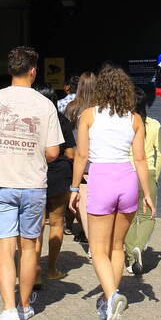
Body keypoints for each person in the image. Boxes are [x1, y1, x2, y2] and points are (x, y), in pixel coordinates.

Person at [0, 47, 63, 320]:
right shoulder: (45, 104)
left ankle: (8, 308)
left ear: (11, 70)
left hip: (0, 183)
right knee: (29, 246)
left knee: (3, 247)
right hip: (33, 185)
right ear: (33, 70)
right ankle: (24, 305)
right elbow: (53, 152)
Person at [70, 66, 154, 320]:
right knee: (117, 247)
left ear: (100, 89)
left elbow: (81, 156)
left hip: (101, 179)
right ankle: (109, 300)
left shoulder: (89, 115)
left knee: (97, 249)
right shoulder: (135, 119)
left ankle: (112, 296)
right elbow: (140, 159)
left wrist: (74, 187)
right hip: (127, 180)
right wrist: (147, 194)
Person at [34, 84, 76, 282]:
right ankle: (51, 269)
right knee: (57, 222)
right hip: (59, 175)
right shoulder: (62, 121)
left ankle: (34, 271)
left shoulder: (31, 121)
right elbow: (70, 153)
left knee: (36, 224)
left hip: (35, 174)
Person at [124, 89, 161, 277]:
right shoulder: (155, 124)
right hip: (147, 171)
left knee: (129, 217)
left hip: (127, 172)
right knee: (148, 216)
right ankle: (139, 246)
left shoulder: (124, 124)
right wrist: (156, 175)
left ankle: (131, 259)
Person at [65, 71, 97, 244]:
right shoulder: (100, 109)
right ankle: (91, 232)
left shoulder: (71, 107)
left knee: (77, 196)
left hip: (75, 156)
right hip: (95, 158)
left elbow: (66, 133)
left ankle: (84, 230)